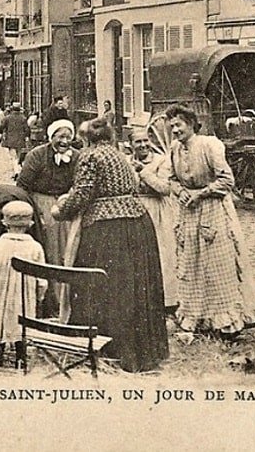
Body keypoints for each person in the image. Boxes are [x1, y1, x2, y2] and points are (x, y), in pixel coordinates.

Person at [52, 117, 168, 373]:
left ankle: (110, 349)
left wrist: (60, 211)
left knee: (105, 286)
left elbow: (83, 194)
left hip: (108, 228)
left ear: (86, 139)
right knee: (135, 286)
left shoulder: (90, 156)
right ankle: (142, 350)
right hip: (138, 223)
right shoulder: (119, 156)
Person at [165, 104, 255, 338]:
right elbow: (171, 179)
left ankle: (226, 322)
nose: (175, 130)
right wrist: (181, 192)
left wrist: (201, 193)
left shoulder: (209, 145)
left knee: (218, 265)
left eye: (178, 125)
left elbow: (227, 180)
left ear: (190, 124)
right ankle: (197, 318)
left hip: (213, 209)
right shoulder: (174, 149)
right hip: (188, 211)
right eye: (171, 127)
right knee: (192, 264)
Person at [0, 200, 47, 367]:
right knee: (22, 320)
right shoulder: (35, 247)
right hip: (24, 296)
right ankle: (20, 357)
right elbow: (42, 279)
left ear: (4, 223)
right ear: (30, 223)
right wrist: (39, 295)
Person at [17, 119, 79, 308]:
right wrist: (34, 212)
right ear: (51, 137)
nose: (65, 141)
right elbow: (22, 186)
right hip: (41, 202)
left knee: (68, 248)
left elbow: (80, 183)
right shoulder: (37, 155)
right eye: (60, 136)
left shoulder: (76, 157)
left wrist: (69, 199)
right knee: (49, 249)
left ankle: (66, 299)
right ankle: (49, 299)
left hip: (65, 203)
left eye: (68, 137)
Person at [129, 129, 179, 312]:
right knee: (138, 254)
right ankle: (142, 298)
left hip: (157, 210)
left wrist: (144, 172)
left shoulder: (162, 161)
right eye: (138, 142)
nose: (142, 145)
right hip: (135, 210)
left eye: (145, 141)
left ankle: (167, 300)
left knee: (162, 252)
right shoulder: (127, 162)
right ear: (131, 145)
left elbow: (165, 188)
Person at [0, 103, 30, 180]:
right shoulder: (23, 118)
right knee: (18, 156)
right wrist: (26, 136)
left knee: (13, 157)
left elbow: (1, 128)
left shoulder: (8, 118)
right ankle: (17, 171)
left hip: (10, 140)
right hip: (20, 140)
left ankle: (16, 172)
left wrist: (1, 131)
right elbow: (27, 129)